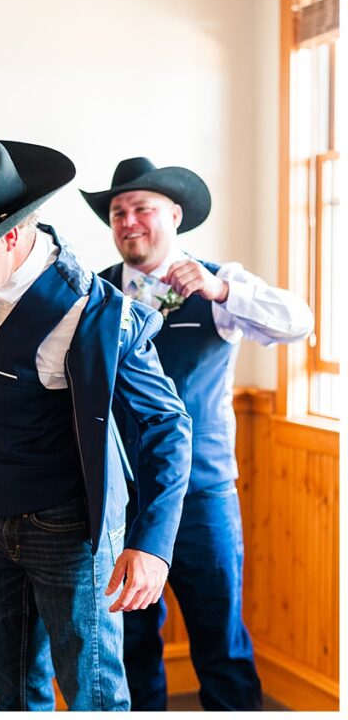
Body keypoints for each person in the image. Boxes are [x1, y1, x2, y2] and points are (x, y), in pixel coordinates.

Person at [0, 137, 192, 711]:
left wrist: (153, 545)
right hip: (1, 521)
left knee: (93, 695)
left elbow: (168, 427)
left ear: (11, 235)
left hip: (71, 535)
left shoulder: (94, 314)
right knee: (13, 685)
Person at [81, 157, 313, 710]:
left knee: (221, 642)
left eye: (143, 208)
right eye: (118, 212)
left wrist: (222, 291)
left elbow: (300, 321)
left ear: (175, 216)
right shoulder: (97, 293)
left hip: (203, 497)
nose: (129, 221)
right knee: (129, 644)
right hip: (124, 498)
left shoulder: (219, 282)